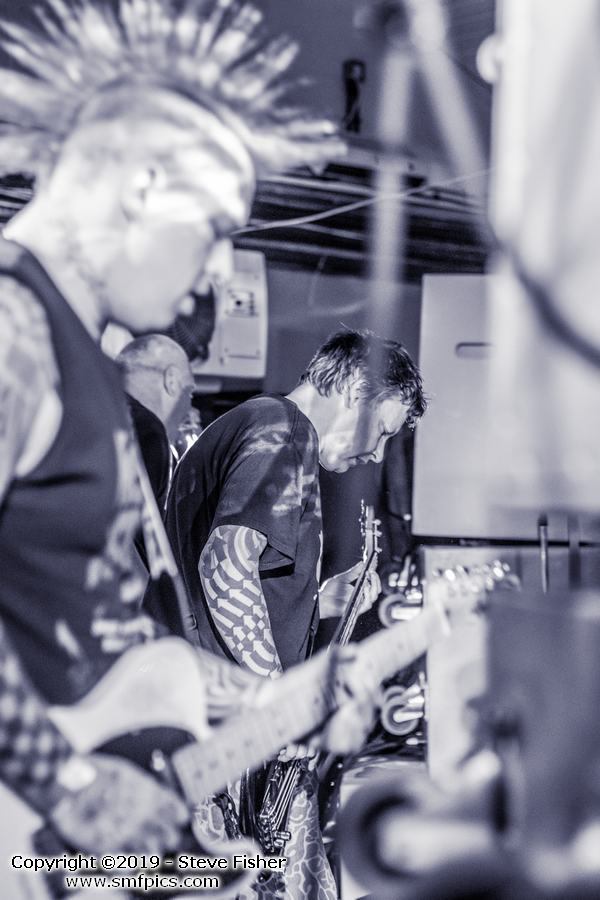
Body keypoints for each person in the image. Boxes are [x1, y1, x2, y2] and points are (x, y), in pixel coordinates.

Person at [0, 0, 351, 876]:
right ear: (144, 188)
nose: (221, 270)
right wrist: (66, 785)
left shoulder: (85, 361)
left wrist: (275, 701)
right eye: (216, 227)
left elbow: (110, 643)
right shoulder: (13, 330)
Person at [150, 328, 427, 898]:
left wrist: (323, 599)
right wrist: (278, 703)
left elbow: (244, 572)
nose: (377, 454)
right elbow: (226, 563)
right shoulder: (283, 428)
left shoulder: (263, 428)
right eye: (382, 430)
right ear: (355, 390)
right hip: (227, 736)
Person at [117, 334, 195, 509]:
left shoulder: (90, 410)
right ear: (172, 381)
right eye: (190, 392)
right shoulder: (148, 431)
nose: (190, 407)